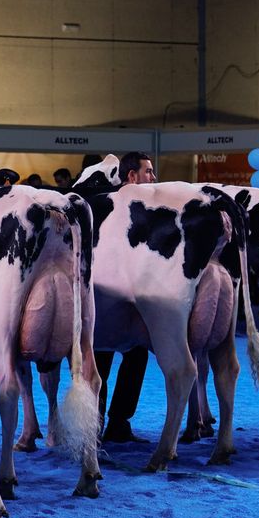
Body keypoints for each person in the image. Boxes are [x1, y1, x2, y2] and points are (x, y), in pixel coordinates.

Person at [95, 150, 158, 443]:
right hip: (105, 297)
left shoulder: (151, 209)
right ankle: (94, 425)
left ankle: (119, 422)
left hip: (135, 300)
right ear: (131, 176)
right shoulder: (106, 205)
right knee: (100, 362)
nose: (153, 177)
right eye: (148, 171)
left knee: (136, 357)